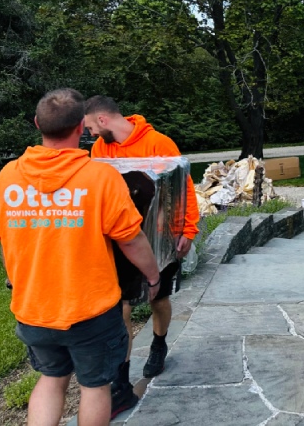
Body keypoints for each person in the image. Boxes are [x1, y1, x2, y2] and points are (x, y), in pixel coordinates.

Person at [0, 89, 161, 426]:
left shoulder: (7, 178)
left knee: (51, 380)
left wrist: (13, 275)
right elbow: (132, 240)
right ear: (81, 129)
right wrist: (153, 277)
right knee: (95, 387)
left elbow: (5, 239)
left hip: (34, 309)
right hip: (91, 310)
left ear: (38, 124)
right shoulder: (100, 177)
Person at [84, 96, 200, 411]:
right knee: (120, 305)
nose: (91, 135)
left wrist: (188, 229)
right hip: (121, 240)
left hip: (160, 238)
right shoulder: (100, 151)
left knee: (158, 299)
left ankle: (159, 343)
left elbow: (183, 186)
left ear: (104, 120)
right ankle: (121, 379)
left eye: (92, 127)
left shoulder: (158, 143)